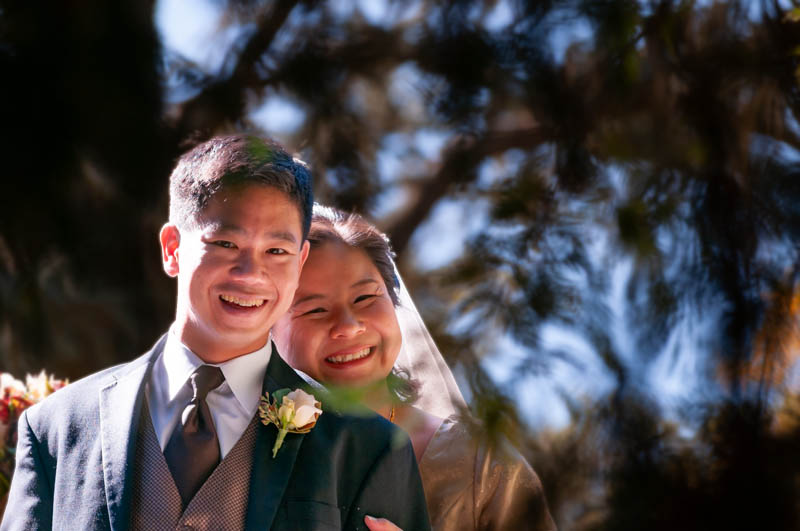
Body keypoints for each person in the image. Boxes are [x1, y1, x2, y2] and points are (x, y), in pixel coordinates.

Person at [1, 135, 431, 530]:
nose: (251, 274)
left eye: (276, 251)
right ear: (172, 249)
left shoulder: (368, 448)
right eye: (225, 244)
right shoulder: (55, 427)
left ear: (299, 264)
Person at [272, 205, 557, 531]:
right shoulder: (247, 455)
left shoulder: (482, 466)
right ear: (268, 329)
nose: (348, 327)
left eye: (365, 298)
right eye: (315, 310)